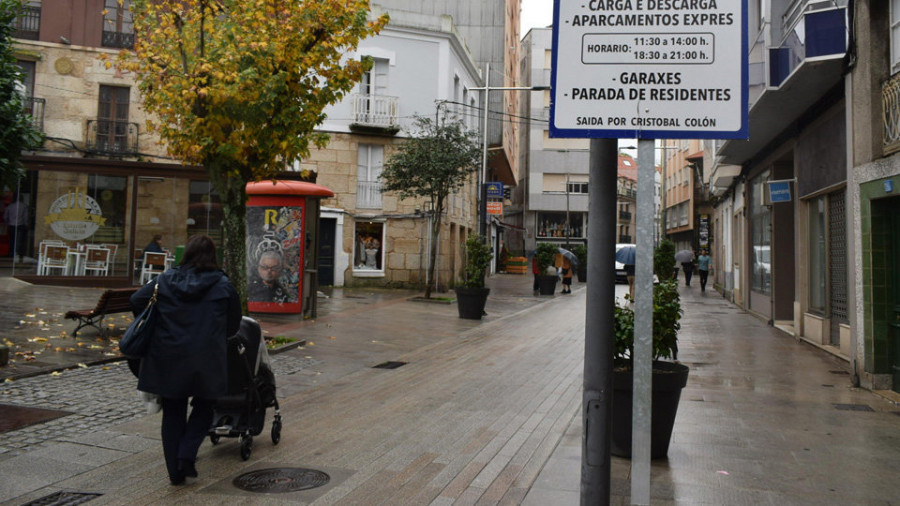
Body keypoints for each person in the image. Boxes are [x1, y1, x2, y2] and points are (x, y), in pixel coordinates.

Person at [130, 234, 241, 485]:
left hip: (168, 356)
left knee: (173, 411)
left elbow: (136, 300)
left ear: (186, 254)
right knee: (205, 405)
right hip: (206, 358)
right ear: (213, 256)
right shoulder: (223, 285)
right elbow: (233, 324)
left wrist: (158, 323)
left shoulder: (165, 279)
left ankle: (175, 474)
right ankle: (187, 452)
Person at [3, 194, 29, 261]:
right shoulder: (24, 206)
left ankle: (12, 252)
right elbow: (25, 217)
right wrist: (26, 224)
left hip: (11, 224)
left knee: (12, 239)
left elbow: (5, 216)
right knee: (19, 239)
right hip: (20, 224)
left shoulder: (10, 206)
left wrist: (7, 222)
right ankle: (18, 253)